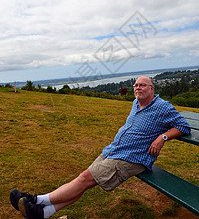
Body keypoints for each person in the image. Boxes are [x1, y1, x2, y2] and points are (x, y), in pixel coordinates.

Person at [10, 76, 191, 219]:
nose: (138, 87)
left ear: (152, 89)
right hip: (114, 150)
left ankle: (35, 200)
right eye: (136, 85)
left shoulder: (162, 107)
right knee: (84, 184)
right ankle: (42, 213)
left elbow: (183, 126)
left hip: (132, 158)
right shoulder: (136, 103)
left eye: (143, 85)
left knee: (84, 179)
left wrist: (162, 137)